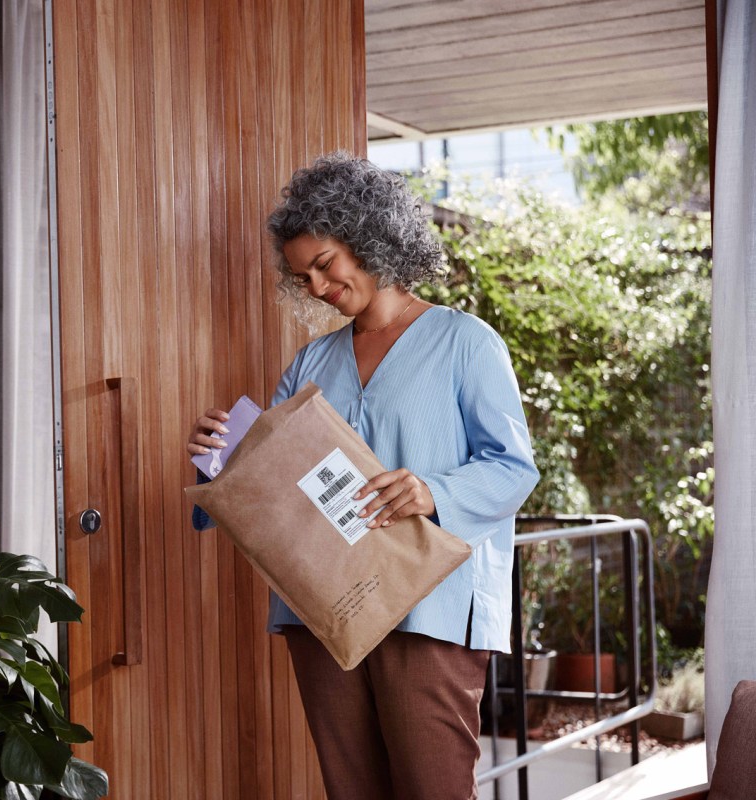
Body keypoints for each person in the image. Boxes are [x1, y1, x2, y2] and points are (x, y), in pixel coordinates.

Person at [186, 152, 539, 800]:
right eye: (303, 277)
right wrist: (219, 460)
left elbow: (513, 468)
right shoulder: (309, 363)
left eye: (325, 264)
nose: (317, 288)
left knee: (432, 789)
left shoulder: (467, 343)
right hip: (321, 610)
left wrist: (435, 491)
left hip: (429, 607)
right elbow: (271, 485)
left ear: (369, 236)